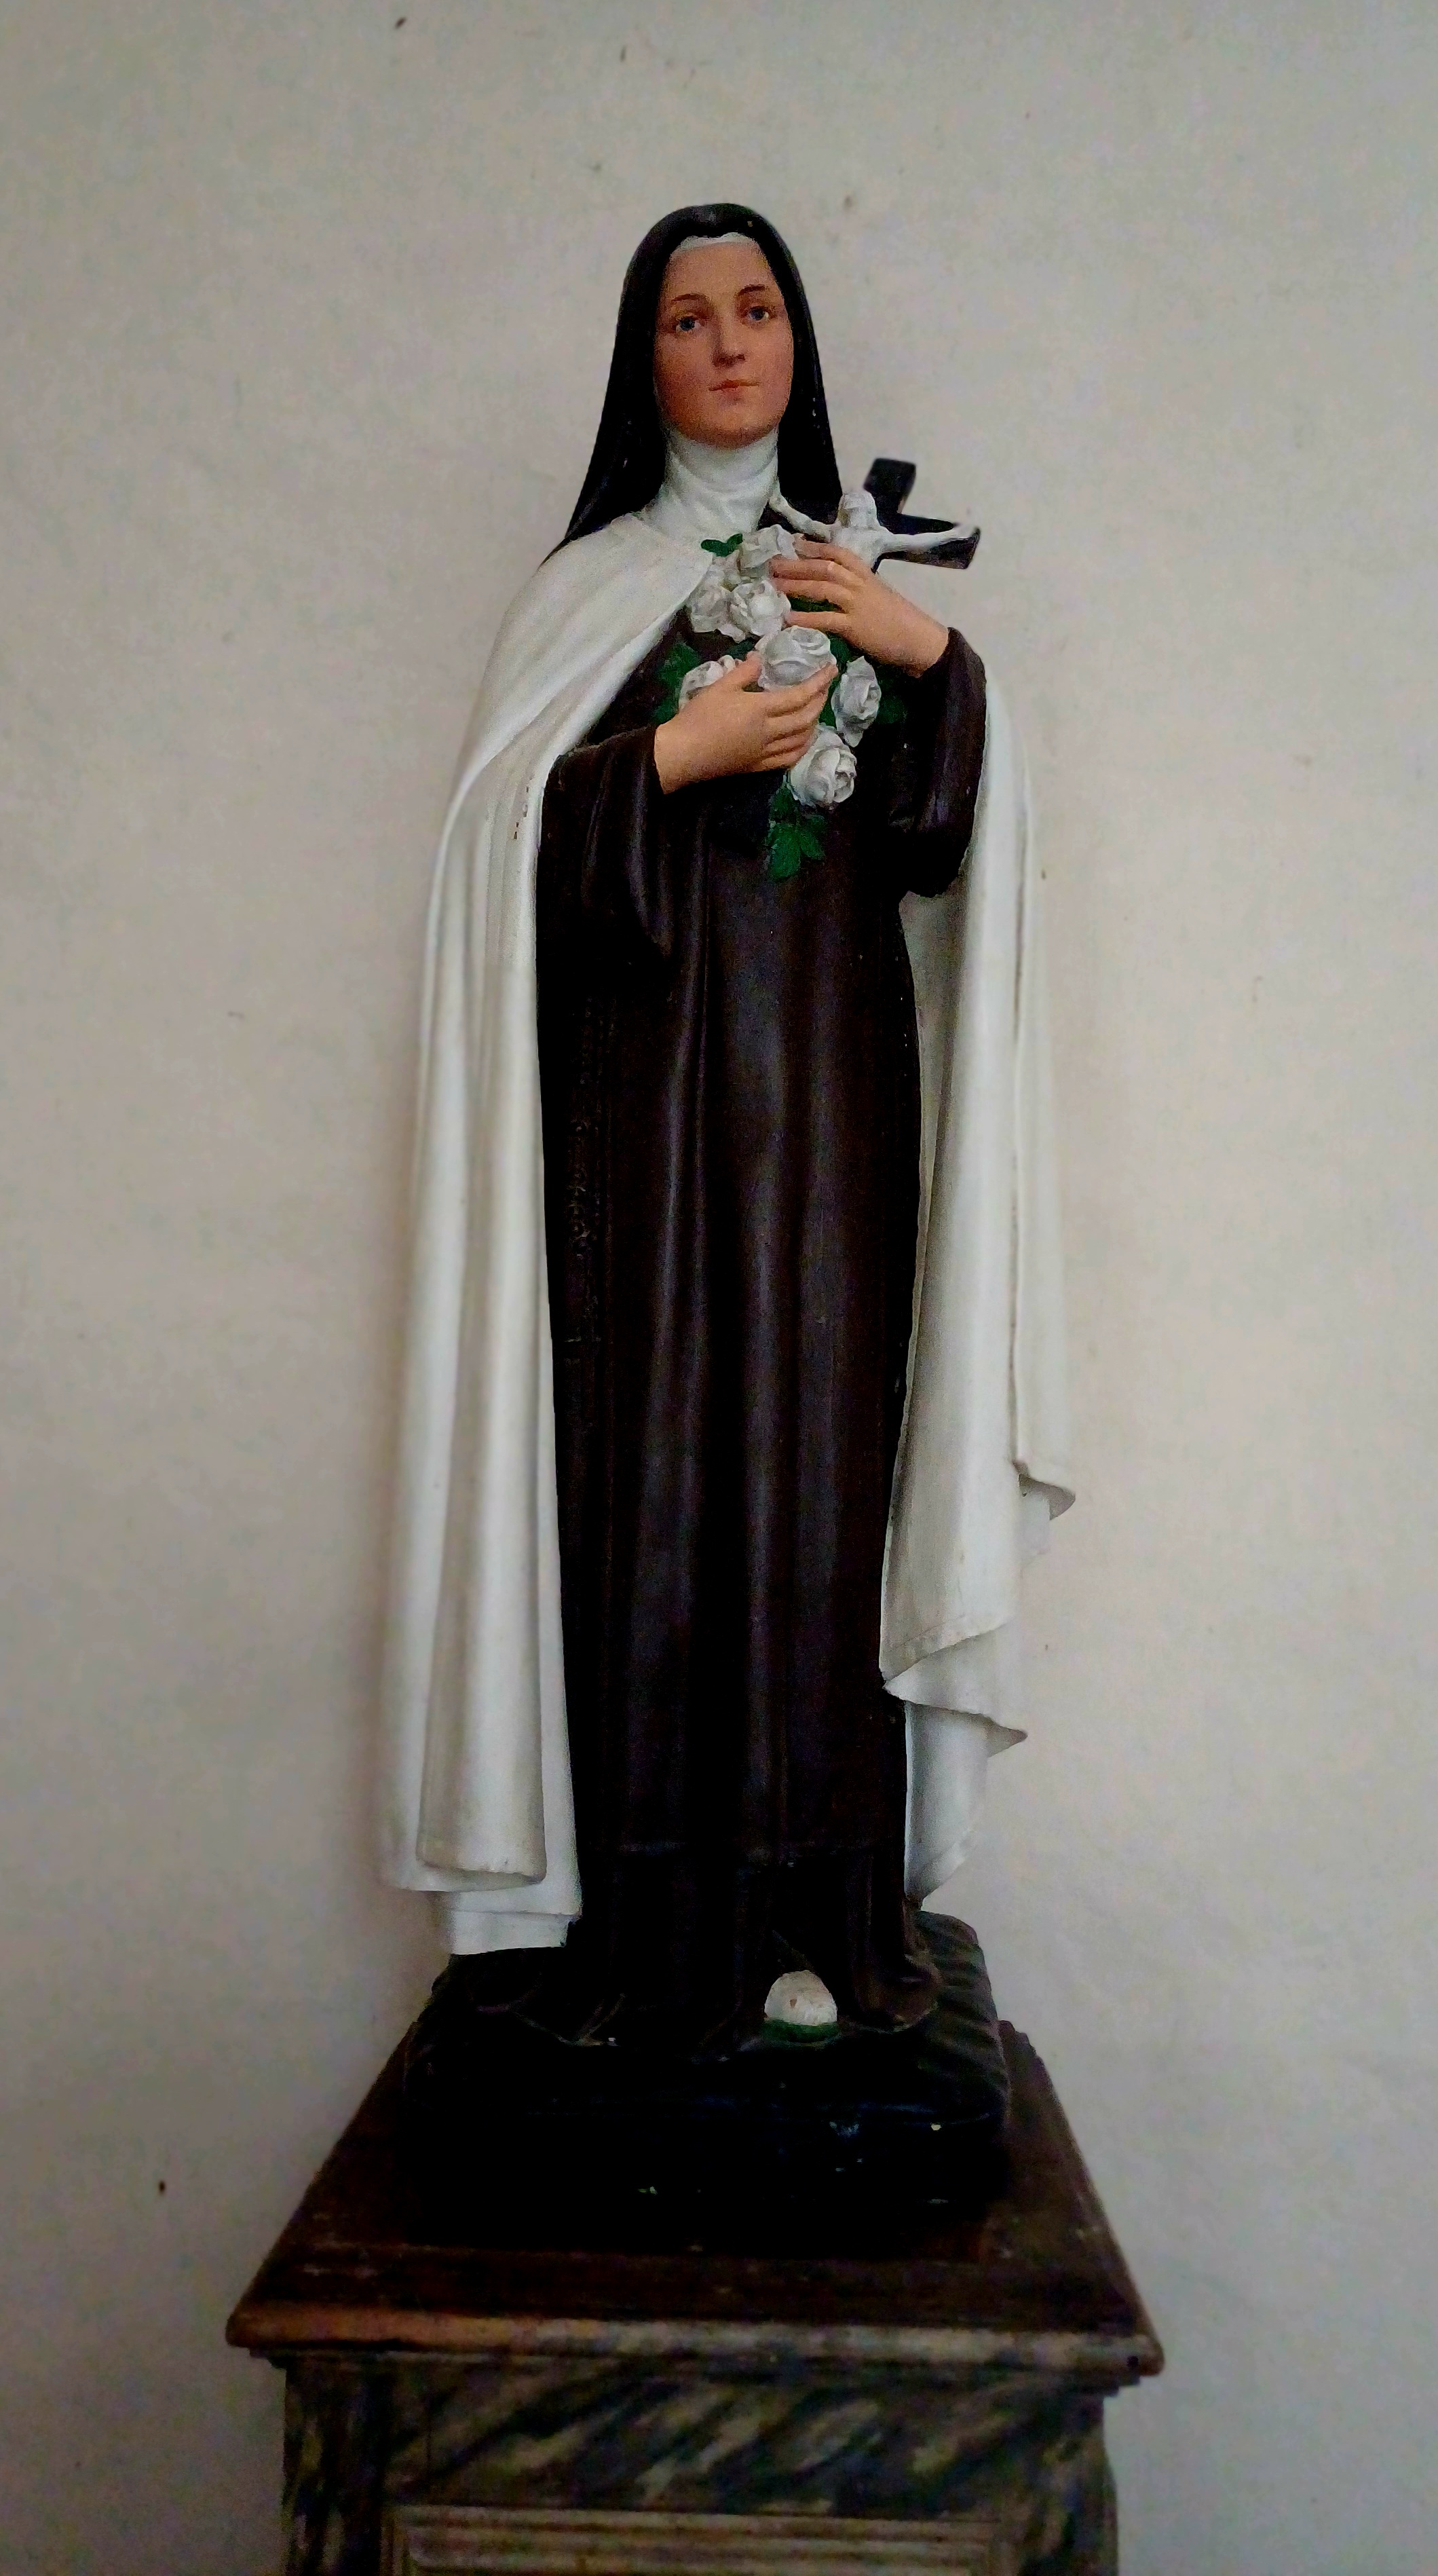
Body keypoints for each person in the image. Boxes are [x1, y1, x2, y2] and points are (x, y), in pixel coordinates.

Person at [379, 205, 1071, 2054]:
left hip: (836, 1112)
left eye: (759, 309)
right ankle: (656, 1927)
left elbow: (933, 841)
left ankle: (823, 1910)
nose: (730, 344)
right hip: (643, 1128)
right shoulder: (587, 591)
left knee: (823, 1469)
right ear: (645, 361)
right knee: (655, 1478)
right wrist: (670, 762)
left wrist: (937, 663)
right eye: (689, 320)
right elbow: (497, 860)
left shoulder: (851, 569)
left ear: (798, 342)